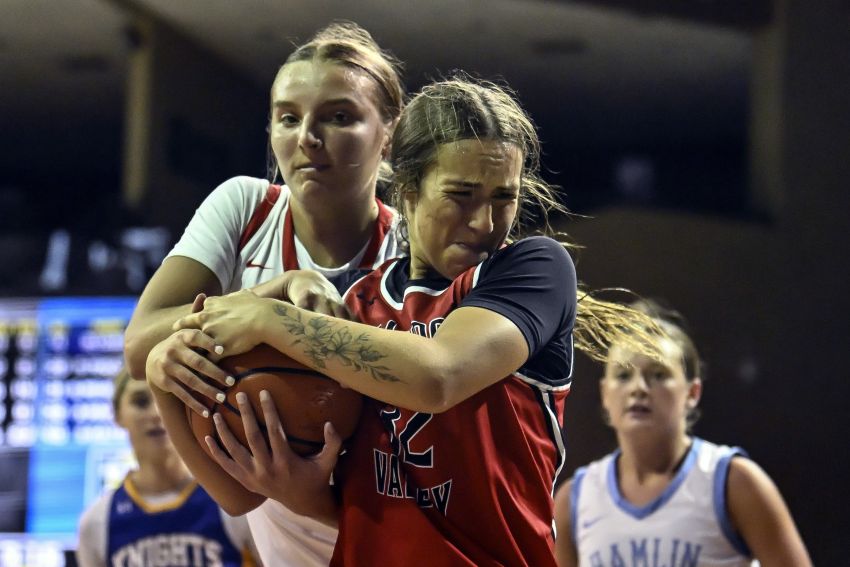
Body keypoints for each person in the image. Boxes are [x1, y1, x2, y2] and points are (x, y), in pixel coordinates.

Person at [153, 77, 668, 567]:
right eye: (462, 195)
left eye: (503, 198)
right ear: (407, 189)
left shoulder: (533, 269)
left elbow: (439, 376)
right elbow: (239, 495)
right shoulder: (352, 302)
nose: (485, 222)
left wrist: (270, 316)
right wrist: (165, 379)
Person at [122, 21, 405, 566]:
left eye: (338, 116)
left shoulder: (411, 249)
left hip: (394, 545)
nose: (307, 138)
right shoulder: (246, 207)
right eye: (288, 117)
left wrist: (267, 319)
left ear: (388, 132)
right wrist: (273, 292)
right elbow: (139, 346)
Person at [553, 301, 812, 567]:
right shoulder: (574, 500)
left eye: (658, 374)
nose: (638, 388)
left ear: (692, 393)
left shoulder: (735, 482)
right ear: (605, 393)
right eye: (623, 375)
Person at [76, 367, 260, 567]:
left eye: (169, 400)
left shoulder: (235, 499)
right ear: (117, 415)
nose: (156, 413)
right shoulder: (97, 521)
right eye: (141, 402)